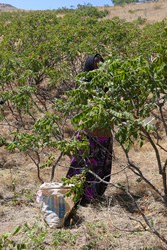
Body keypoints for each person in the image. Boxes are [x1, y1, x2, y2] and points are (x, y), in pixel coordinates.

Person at [66, 53, 113, 204]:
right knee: (82, 167)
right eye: (95, 63)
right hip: (89, 135)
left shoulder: (108, 86)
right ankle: (76, 196)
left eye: (100, 62)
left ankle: (93, 197)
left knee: (100, 169)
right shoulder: (84, 86)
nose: (98, 65)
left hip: (104, 135)